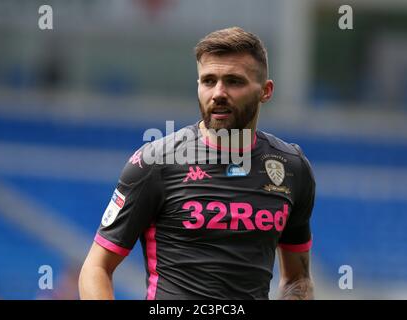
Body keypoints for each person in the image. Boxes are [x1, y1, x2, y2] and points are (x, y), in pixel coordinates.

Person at [79, 27, 316, 300]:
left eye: (234, 81)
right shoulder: (155, 163)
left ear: (266, 91)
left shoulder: (291, 168)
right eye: (208, 81)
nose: (218, 93)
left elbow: (297, 278)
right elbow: (96, 267)